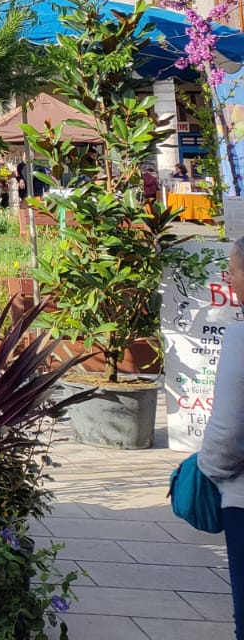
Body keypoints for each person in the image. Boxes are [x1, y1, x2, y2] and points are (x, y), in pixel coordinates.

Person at [200, 235, 244, 639]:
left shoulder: (241, 340)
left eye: (233, 269)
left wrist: (206, 470)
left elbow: (229, 433)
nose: (228, 276)